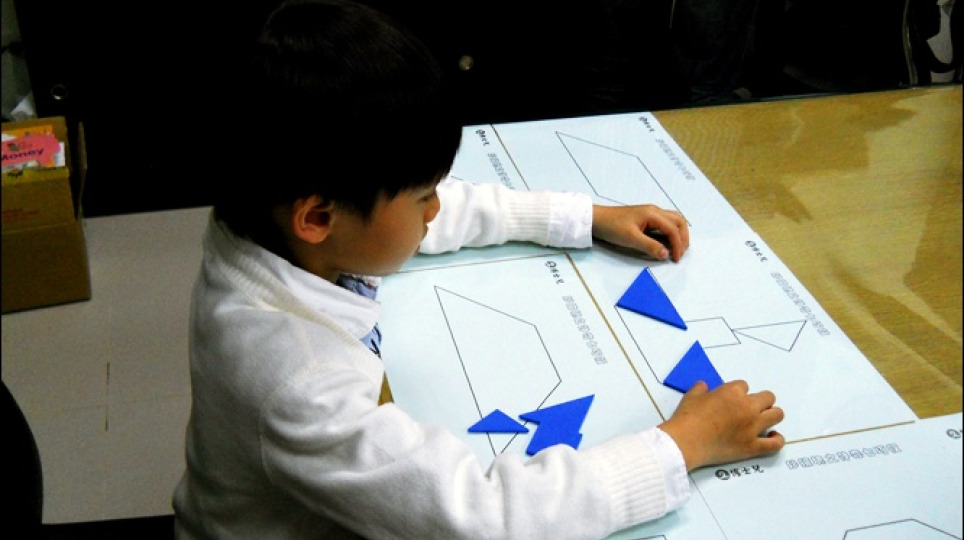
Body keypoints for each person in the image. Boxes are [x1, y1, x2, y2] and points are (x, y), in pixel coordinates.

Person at [172, 1, 786, 538]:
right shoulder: (295, 380)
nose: (437, 209)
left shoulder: (270, 219)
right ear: (317, 217)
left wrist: (583, 216)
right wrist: (681, 447)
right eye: (423, 197)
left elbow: (425, 214)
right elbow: (481, 520)